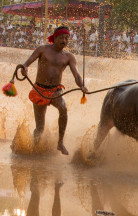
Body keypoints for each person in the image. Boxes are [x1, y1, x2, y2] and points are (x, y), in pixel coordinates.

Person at [21, 26, 88, 155]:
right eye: (62, 37)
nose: (64, 40)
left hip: (55, 90)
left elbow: (77, 75)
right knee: (39, 128)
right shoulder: (42, 50)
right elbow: (26, 63)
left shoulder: (69, 57)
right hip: (39, 90)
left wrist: (82, 86)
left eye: (67, 38)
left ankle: (60, 142)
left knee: (63, 108)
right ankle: (34, 150)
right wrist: (24, 68)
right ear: (55, 38)